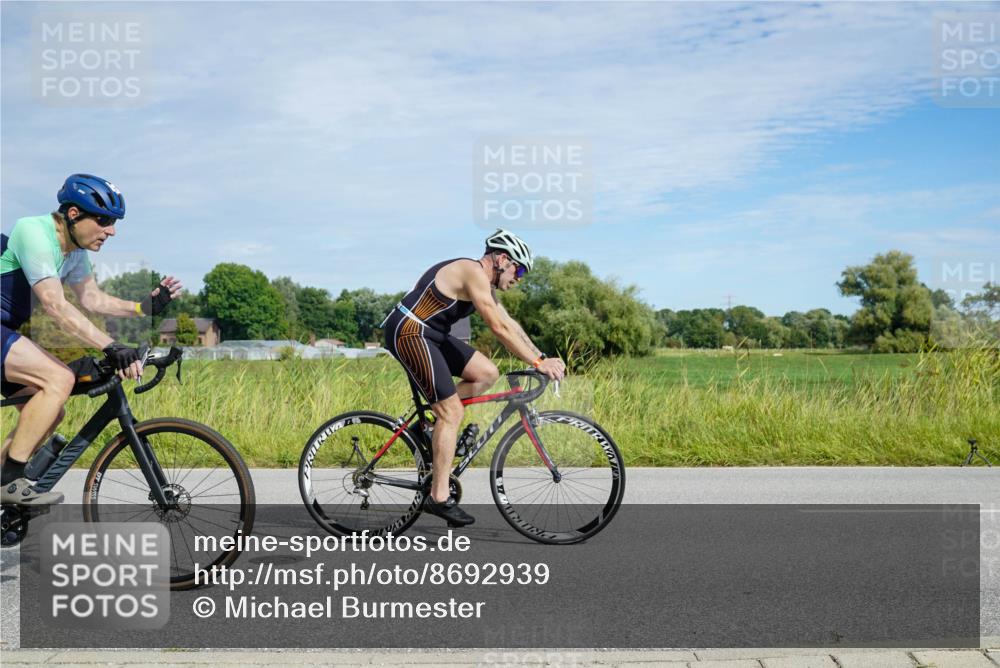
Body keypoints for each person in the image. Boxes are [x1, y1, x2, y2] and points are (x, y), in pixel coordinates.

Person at [1, 174, 182, 505]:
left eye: (113, 223)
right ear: (73, 215)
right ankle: (10, 483)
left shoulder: (74, 253)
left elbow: (94, 301)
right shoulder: (34, 231)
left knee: (49, 409)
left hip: (5, 331)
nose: (111, 230)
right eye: (104, 221)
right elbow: (56, 305)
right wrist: (110, 347)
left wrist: (144, 307)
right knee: (59, 379)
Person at [383, 229, 566, 526]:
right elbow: (498, 328)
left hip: (431, 334)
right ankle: (438, 497)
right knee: (452, 410)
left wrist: (541, 357)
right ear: (502, 259)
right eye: (518, 269)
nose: (519, 277)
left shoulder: (485, 285)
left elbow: (509, 322)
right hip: (409, 332)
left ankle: (427, 426)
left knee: (487, 373)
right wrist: (536, 362)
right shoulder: (472, 272)